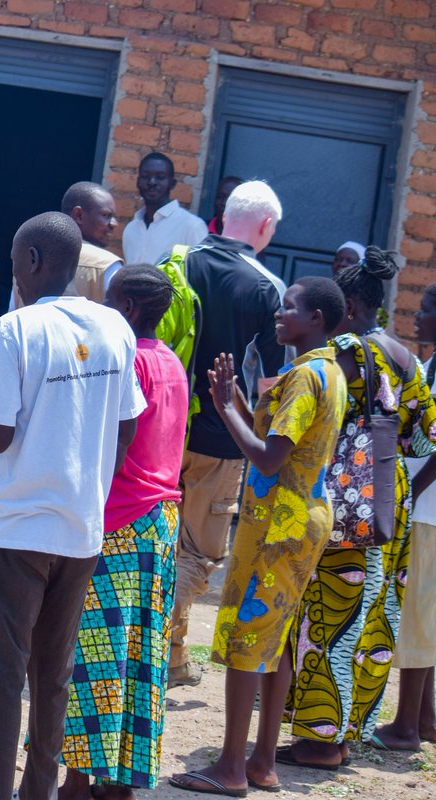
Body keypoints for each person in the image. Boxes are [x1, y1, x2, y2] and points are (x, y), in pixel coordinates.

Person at [0, 211, 145, 800]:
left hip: (16, 530)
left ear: (32, 261)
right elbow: (128, 427)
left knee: (0, 676)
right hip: (81, 530)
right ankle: (38, 792)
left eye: (13, 263)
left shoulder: (18, 328)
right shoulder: (115, 327)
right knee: (52, 678)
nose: (13, 274)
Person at [169, 277, 348, 797]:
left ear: (316, 318)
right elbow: (277, 443)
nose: (279, 313)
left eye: (289, 307)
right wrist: (240, 403)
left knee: (249, 638)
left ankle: (229, 767)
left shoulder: (303, 378)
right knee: (275, 639)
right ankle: (262, 762)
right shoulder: (328, 371)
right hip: (301, 516)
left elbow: (270, 458)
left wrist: (225, 411)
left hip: (277, 524)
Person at [281, 250, 436, 767]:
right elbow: (424, 442)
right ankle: (345, 732)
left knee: (324, 617)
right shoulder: (406, 358)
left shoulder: (339, 353)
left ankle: (320, 741)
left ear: (346, 303)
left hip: (338, 497)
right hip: (390, 503)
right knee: (371, 621)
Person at [59, 265, 189, 800]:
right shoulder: (172, 362)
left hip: (119, 521)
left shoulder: (127, 360)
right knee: (140, 656)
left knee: (94, 654)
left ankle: (73, 781)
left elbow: (104, 443)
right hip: (159, 522)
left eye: (110, 300)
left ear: (129, 309)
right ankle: (121, 783)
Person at [167, 180, 288, 688]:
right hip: (223, 440)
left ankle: (172, 658)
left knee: (165, 542)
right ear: (264, 227)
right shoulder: (267, 286)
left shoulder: (177, 264)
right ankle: (157, 648)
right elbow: (269, 383)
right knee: (202, 552)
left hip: (165, 430)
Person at [377, 282, 436, 752]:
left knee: (417, 615)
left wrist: (407, 496)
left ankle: (406, 728)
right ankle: (427, 717)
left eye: (428, 309)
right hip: (427, 506)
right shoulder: (431, 363)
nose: (417, 315)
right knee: (426, 612)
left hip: (430, 509)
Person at [121, 152, 207, 266]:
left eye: (160, 177)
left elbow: (201, 273)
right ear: (137, 181)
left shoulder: (191, 226)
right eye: (146, 176)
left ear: (172, 184)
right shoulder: (131, 229)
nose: (152, 182)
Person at [62, 181, 122, 301]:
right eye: (106, 215)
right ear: (78, 215)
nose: (114, 224)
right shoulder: (108, 266)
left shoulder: (31, 260)